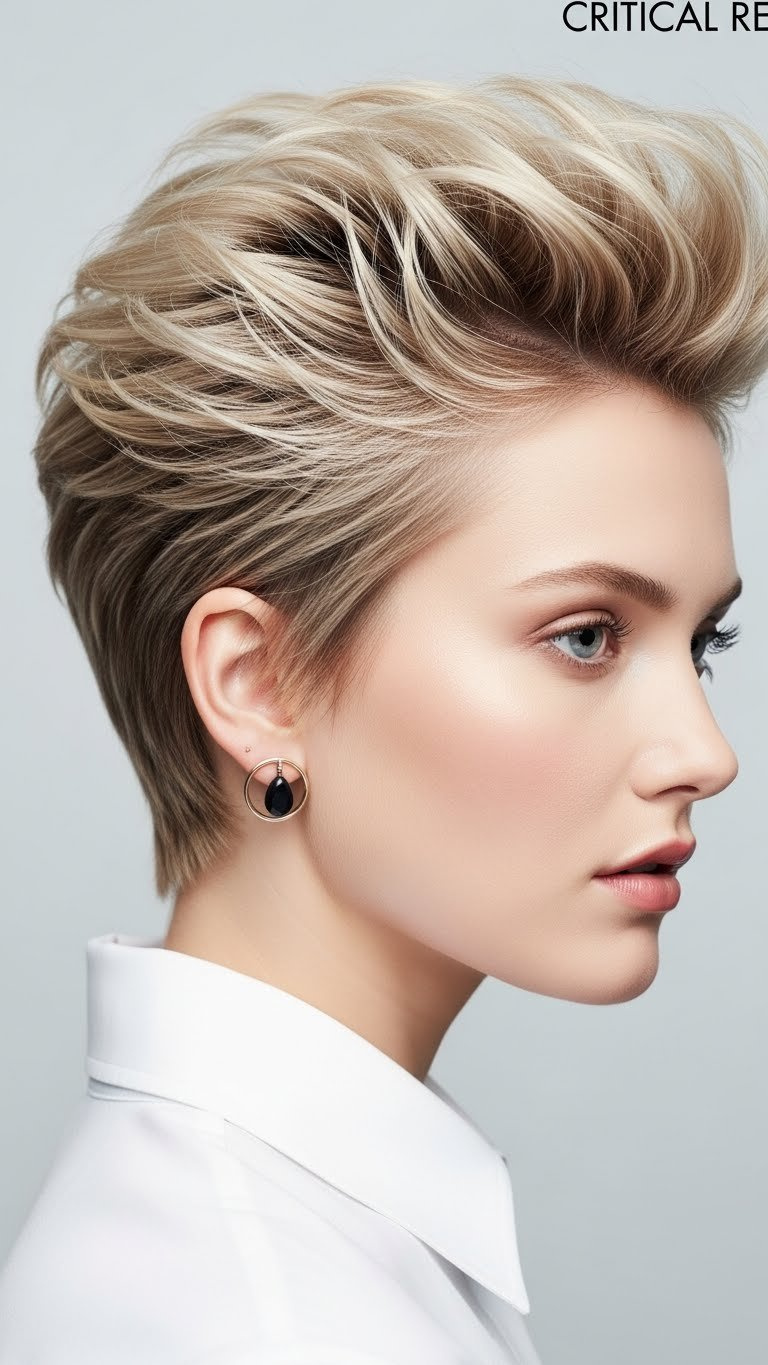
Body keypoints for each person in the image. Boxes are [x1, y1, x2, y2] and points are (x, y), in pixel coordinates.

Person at [1, 73, 767, 1364]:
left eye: (701, 641)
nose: (707, 752)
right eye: (586, 636)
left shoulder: (277, 1242)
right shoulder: (254, 1316)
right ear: (256, 683)